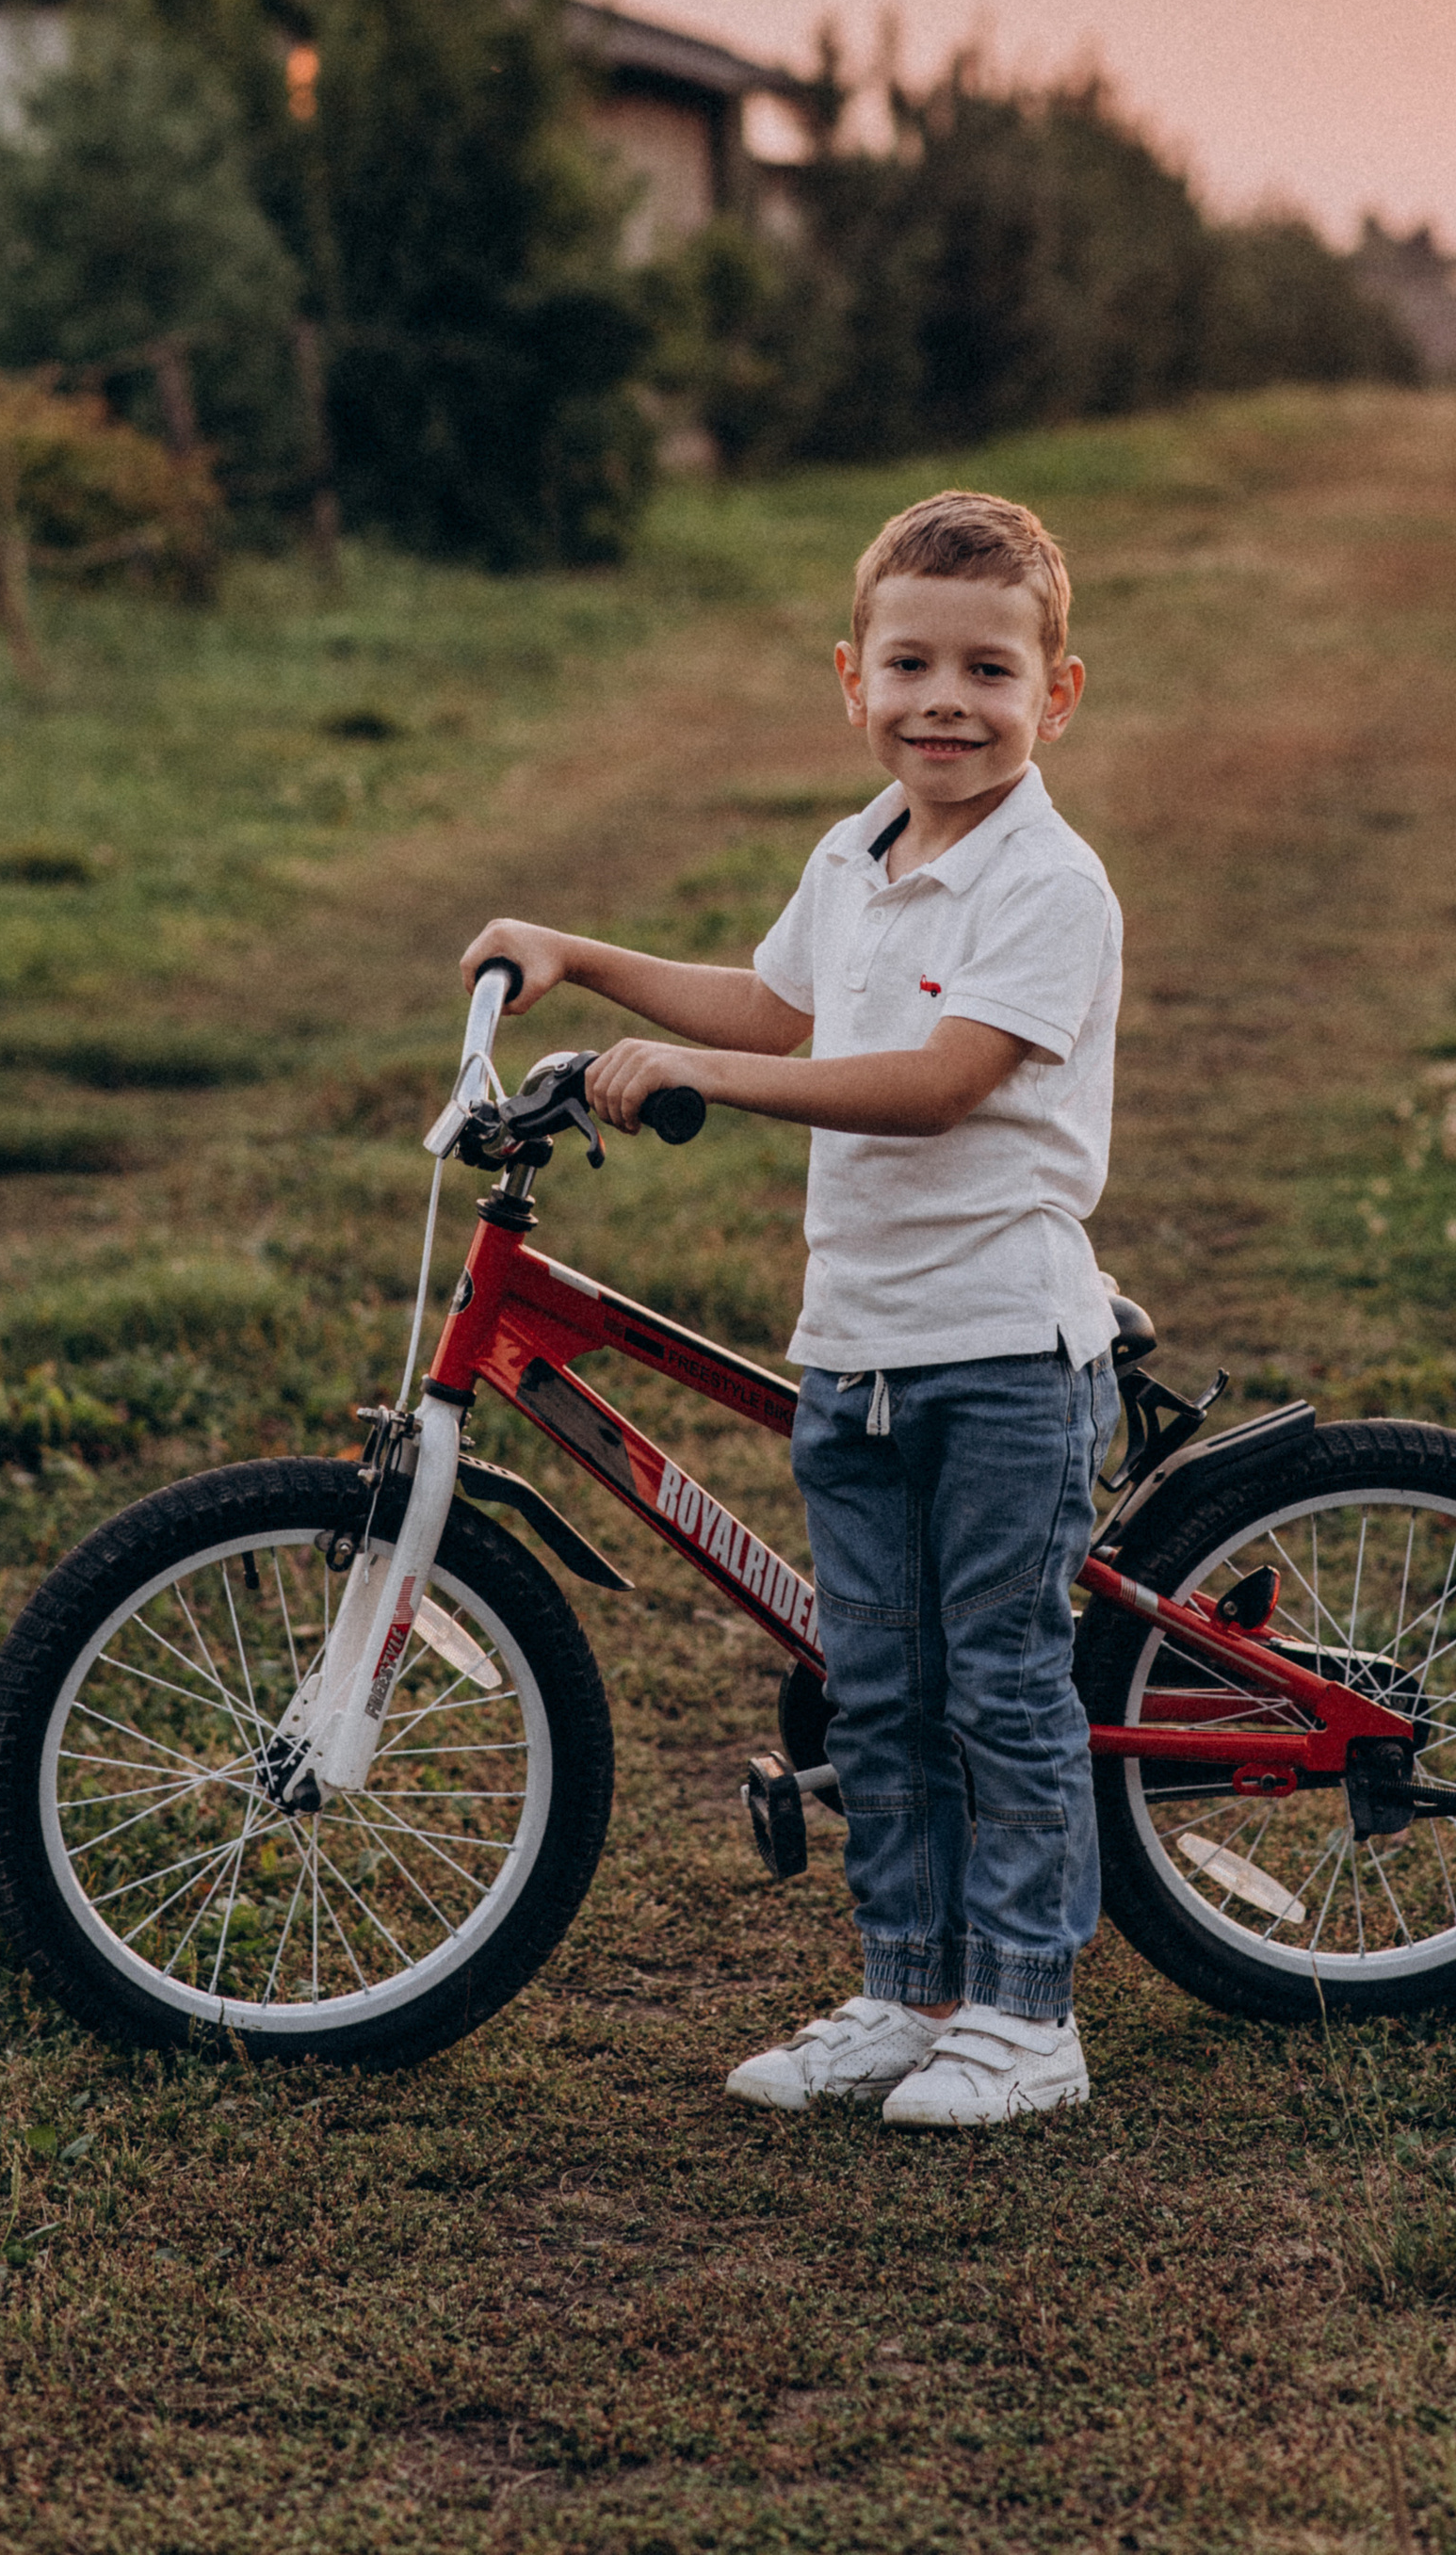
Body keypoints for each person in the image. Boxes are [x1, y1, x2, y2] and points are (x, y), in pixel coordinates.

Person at [461, 486, 1124, 2129]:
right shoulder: (857, 852)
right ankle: (911, 1989)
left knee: (1003, 1687)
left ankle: (1030, 2015)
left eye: (988, 668)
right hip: (858, 1353)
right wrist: (581, 958)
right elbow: (774, 1002)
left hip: (1002, 1357)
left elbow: (938, 1084)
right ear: (852, 681)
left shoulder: (1051, 884)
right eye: (911, 665)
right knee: (876, 1689)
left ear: (1057, 692)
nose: (946, 703)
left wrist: (710, 1080)